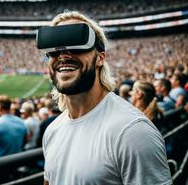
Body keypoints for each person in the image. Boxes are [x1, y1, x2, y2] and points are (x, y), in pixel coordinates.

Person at [38, 11, 172, 185]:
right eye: (54, 49)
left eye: (76, 45)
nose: (63, 55)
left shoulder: (132, 132)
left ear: (100, 58)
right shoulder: (52, 131)